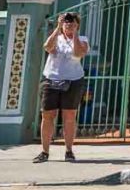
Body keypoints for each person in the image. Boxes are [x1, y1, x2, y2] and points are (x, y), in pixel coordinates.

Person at [34, 12, 89, 163]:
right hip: (51, 79)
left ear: (77, 24)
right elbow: (47, 47)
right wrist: (58, 28)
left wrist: (75, 34)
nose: (69, 24)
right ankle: (44, 152)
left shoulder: (82, 39)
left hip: (73, 80)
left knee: (69, 116)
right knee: (47, 115)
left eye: (72, 22)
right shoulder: (56, 39)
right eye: (66, 21)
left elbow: (79, 53)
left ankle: (69, 151)